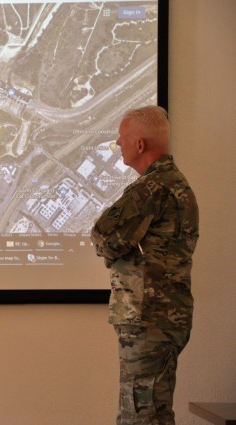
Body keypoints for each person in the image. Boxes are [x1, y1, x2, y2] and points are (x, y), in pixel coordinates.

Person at [91, 105, 199, 425]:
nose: (117, 143)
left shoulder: (152, 188)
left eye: (122, 137)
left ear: (140, 144)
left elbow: (102, 235)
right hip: (160, 315)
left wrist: (116, 254)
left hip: (148, 316)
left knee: (143, 412)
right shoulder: (174, 183)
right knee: (147, 408)